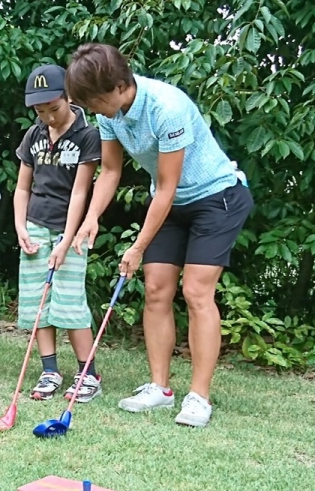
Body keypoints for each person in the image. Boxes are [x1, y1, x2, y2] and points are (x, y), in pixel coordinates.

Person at [65, 43, 254, 427]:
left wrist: (137, 247)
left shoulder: (168, 108)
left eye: (95, 100)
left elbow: (168, 187)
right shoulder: (109, 113)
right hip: (171, 203)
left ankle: (199, 397)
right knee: (155, 289)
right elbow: (111, 171)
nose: (92, 108)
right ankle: (160, 388)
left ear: (120, 86)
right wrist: (91, 217)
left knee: (196, 291)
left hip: (216, 198)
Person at [12, 64, 103, 402]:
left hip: (72, 233)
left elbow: (80, 192)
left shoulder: (87, 135)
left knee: (70, 301)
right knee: (39, 302)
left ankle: (88, 374)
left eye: (54, 108)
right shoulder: (33, 135)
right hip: (35, 226)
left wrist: (66, 239)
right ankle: (49, 370)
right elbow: (22, 188)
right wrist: (20, 226)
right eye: (40, 111)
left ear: (68, 97)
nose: (48, 117)